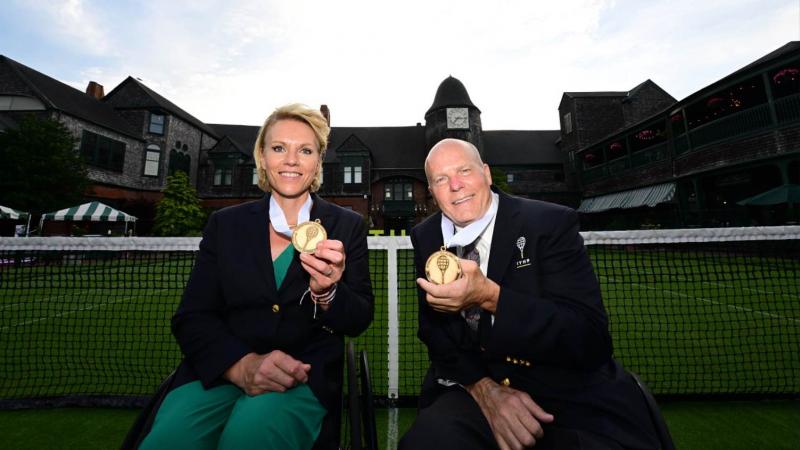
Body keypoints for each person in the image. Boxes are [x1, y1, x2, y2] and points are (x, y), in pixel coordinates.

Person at [139, 104, 374, 450]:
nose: (291, 160)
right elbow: (192, 316)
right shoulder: (225, 224)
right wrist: (241, 366)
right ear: (262, 157)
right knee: (170, 441)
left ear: (318, 161)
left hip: (300, 376)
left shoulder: (346, 225)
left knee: (250, 437)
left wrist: (328, 293)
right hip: (220, 371)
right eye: (279, 148)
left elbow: (358, 318)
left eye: (305, 150)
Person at [399, 138, 660, 450]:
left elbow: (590, 339)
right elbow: (435, 331)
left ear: (486, 173)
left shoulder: (549, 222)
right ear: (432, 191)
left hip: (564, 389)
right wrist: (484, 391)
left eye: (464, 171)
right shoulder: (426, 236)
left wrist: (490, 297)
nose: (455, 185)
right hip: (473, 386)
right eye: (441, 179)